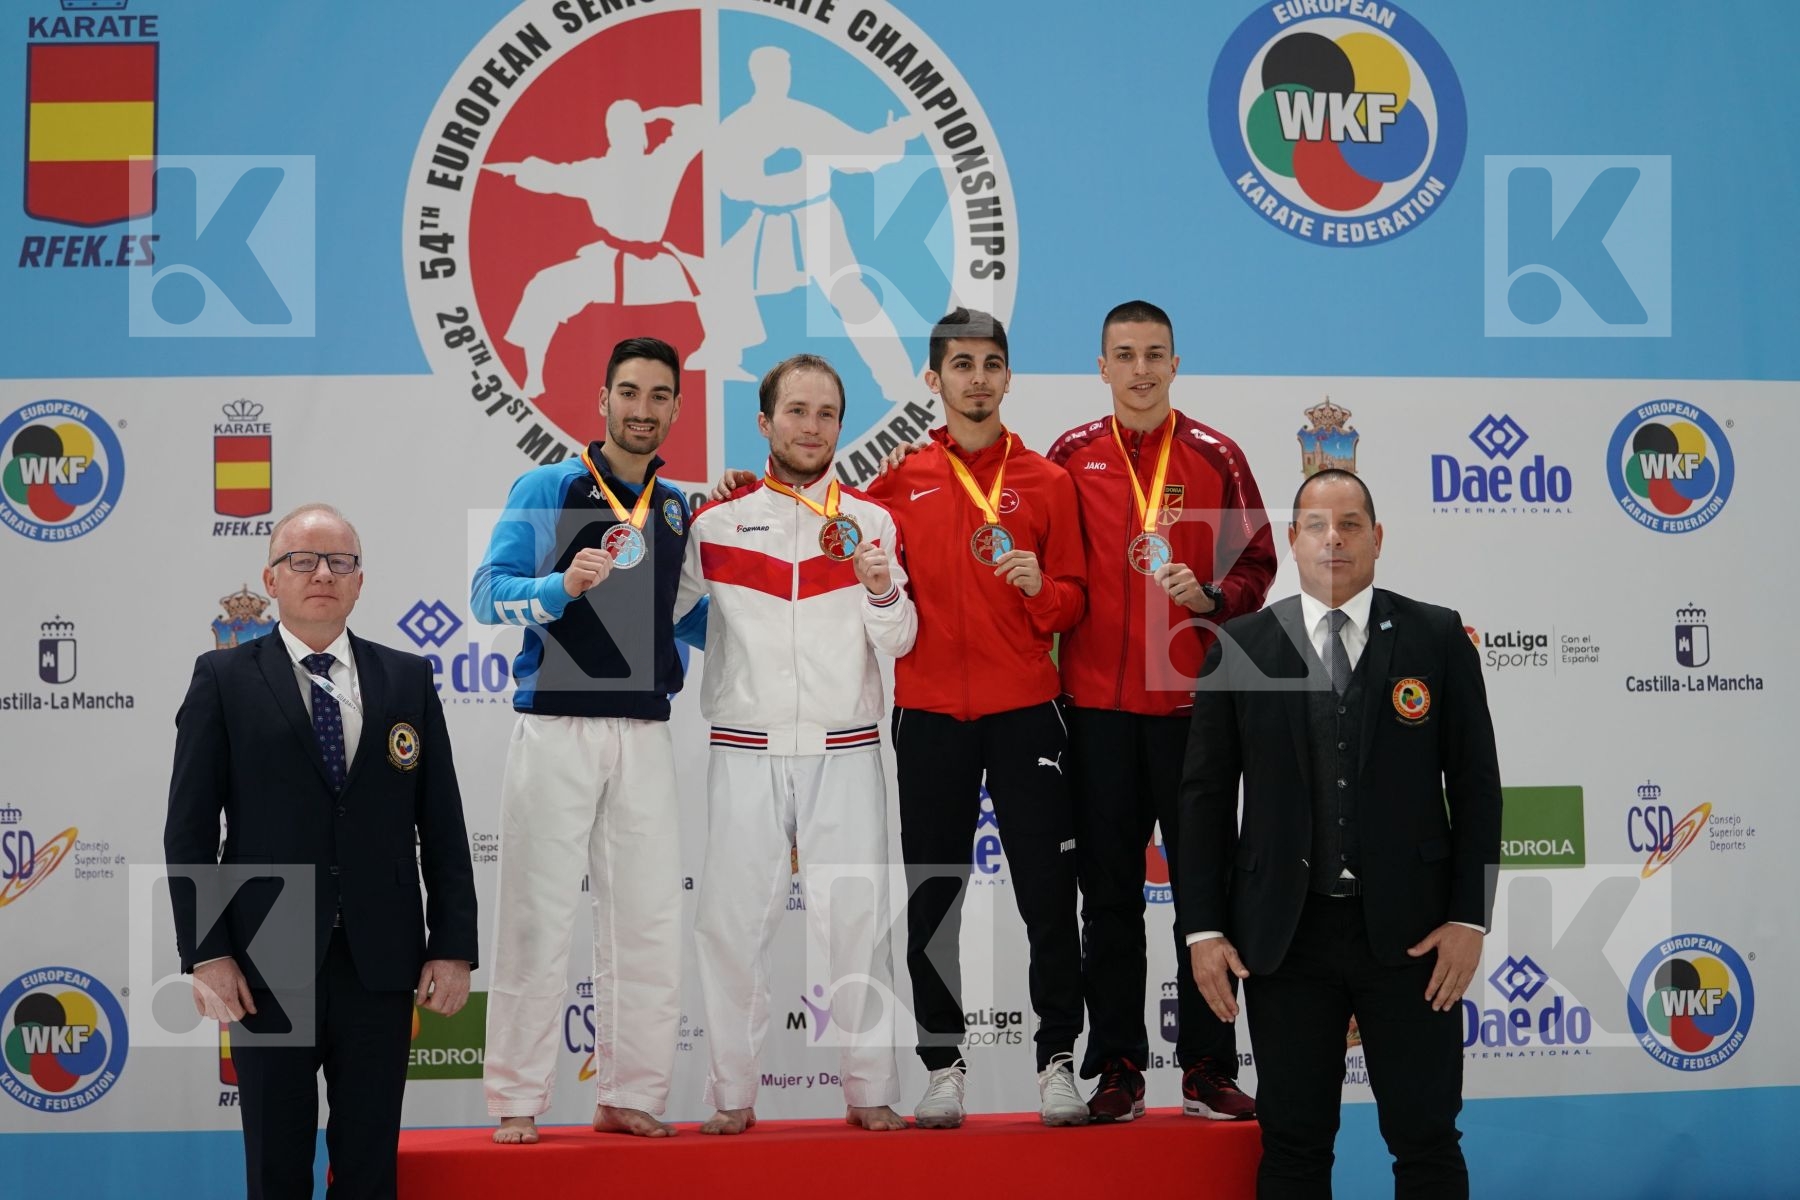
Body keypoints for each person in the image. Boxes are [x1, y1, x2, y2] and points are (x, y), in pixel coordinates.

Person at [1180, 469, 1502, 1198]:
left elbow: (1479, 789)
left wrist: (1469, 916)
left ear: (1378, 539)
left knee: (1426, 1141)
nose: (1335, 539)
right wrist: (1201, 928)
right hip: (1285, 940)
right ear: (1292, 541)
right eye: (1318, 526)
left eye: (1351, 524)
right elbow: (1202, 800)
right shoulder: (1240, 645)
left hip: (1416, 938)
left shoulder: (1437, 636)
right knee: (1293, 1144)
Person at [165, 503, 478, 1199]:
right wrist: (207, 952)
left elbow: (444, 823)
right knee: (276, 1164)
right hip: (265, 957)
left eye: (341, 561)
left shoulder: (406, 678)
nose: (323, 574)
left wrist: (452, 943)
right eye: (302, 561)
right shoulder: (223, 680)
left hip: (382, 958)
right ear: (271, 579)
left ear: (360, 581)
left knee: (369, 1165)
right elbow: (188, 831)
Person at [471, 336, 707, 1142]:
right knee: (536, 913)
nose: (643, 410)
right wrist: (558, 586)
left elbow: (698, 612)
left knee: (647, 920)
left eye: (659, 396)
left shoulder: (677, 507)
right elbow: (484, 595)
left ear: (677, 407)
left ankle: (630, 1093)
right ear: (602, 399)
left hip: (645, 730)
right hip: (556, 724)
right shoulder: (549, 485)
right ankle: (515, 1099)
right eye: (629, 393)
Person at [1046, 300, 1276, 1123]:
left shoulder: (1216, 456)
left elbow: (1258, 560)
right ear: (1100, 366)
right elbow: (1048, 565)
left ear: (1176, 364)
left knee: (1205, 896)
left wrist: (1215, 596)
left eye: (1155, 354)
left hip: (1193, 714)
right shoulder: (1069, 457)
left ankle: (1210, 1067)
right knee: (1107, 899)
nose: (1140, 369)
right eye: (1124, 355)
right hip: (1097, 711)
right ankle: (1116, 1066)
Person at [677, 354, 916, 1135]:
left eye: (826, 414)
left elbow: (900, 636)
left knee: (856, 920)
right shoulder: (714, 525)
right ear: (765, 423)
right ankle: (731, 1095)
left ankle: (870, 1088)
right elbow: (662, 617)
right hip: (744, 745)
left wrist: (880, 588)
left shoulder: (874, 522)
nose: (811, 427)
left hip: (845, 747)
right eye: (796, 412)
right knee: (730, 923)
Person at [866, 307, 1090, 1128]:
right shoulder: (897, 482)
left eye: (991, 363)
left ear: (1007, 376)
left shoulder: (1047, 483)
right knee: (934, 897)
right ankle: (941, 1064)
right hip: (928, 714)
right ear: (934, 380)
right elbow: (821, 518)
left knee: (1046, 896)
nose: (977, 378)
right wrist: (744, 491)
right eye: (961, 364)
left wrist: (1041, 588)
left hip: (1027, 712)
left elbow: (1074, 604)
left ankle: (1059, 1059)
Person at [485, 101, 707, 397]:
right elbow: (549, 176)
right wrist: (516, 170)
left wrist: (659, 113)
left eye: (634, 127)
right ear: (611, 135)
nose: (629, 135)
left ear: (642, 132)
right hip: (607, 264)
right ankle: (534, 375)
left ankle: (721, 351)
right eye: (621, 129)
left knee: (723, 278)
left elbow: (698, 122)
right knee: (543, 287)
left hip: (658, 263)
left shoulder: (662, 161)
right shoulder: (598, 170)